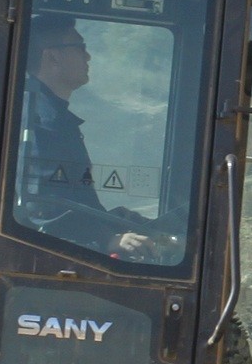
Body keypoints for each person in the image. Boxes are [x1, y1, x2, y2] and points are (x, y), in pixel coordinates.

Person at [15, 18, 180, 262]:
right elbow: (41, 207)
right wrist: (107, 239)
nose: (88, 56)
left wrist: (120, 222)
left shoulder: (51, 117)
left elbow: (71, 200)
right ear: (53, 58)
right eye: (80, 47)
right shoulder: (39, 122)